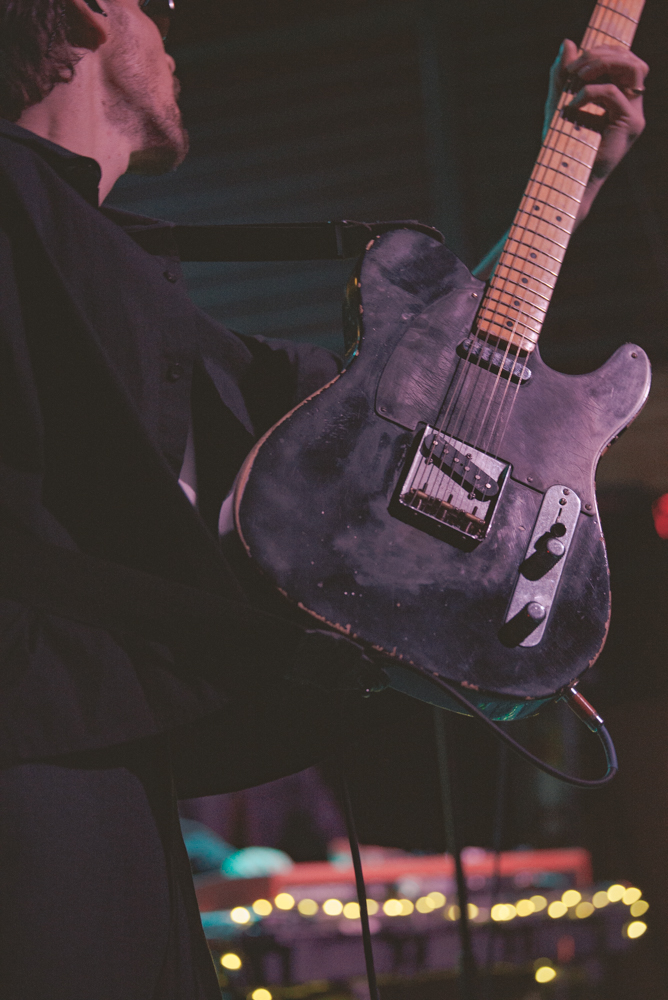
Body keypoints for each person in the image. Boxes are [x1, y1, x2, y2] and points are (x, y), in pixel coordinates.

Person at [0, 2, 650, 997]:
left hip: (123, 782)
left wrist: (566, 188)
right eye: (158, 8)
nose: (177, 38)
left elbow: (410, 422)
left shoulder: (156, 301)